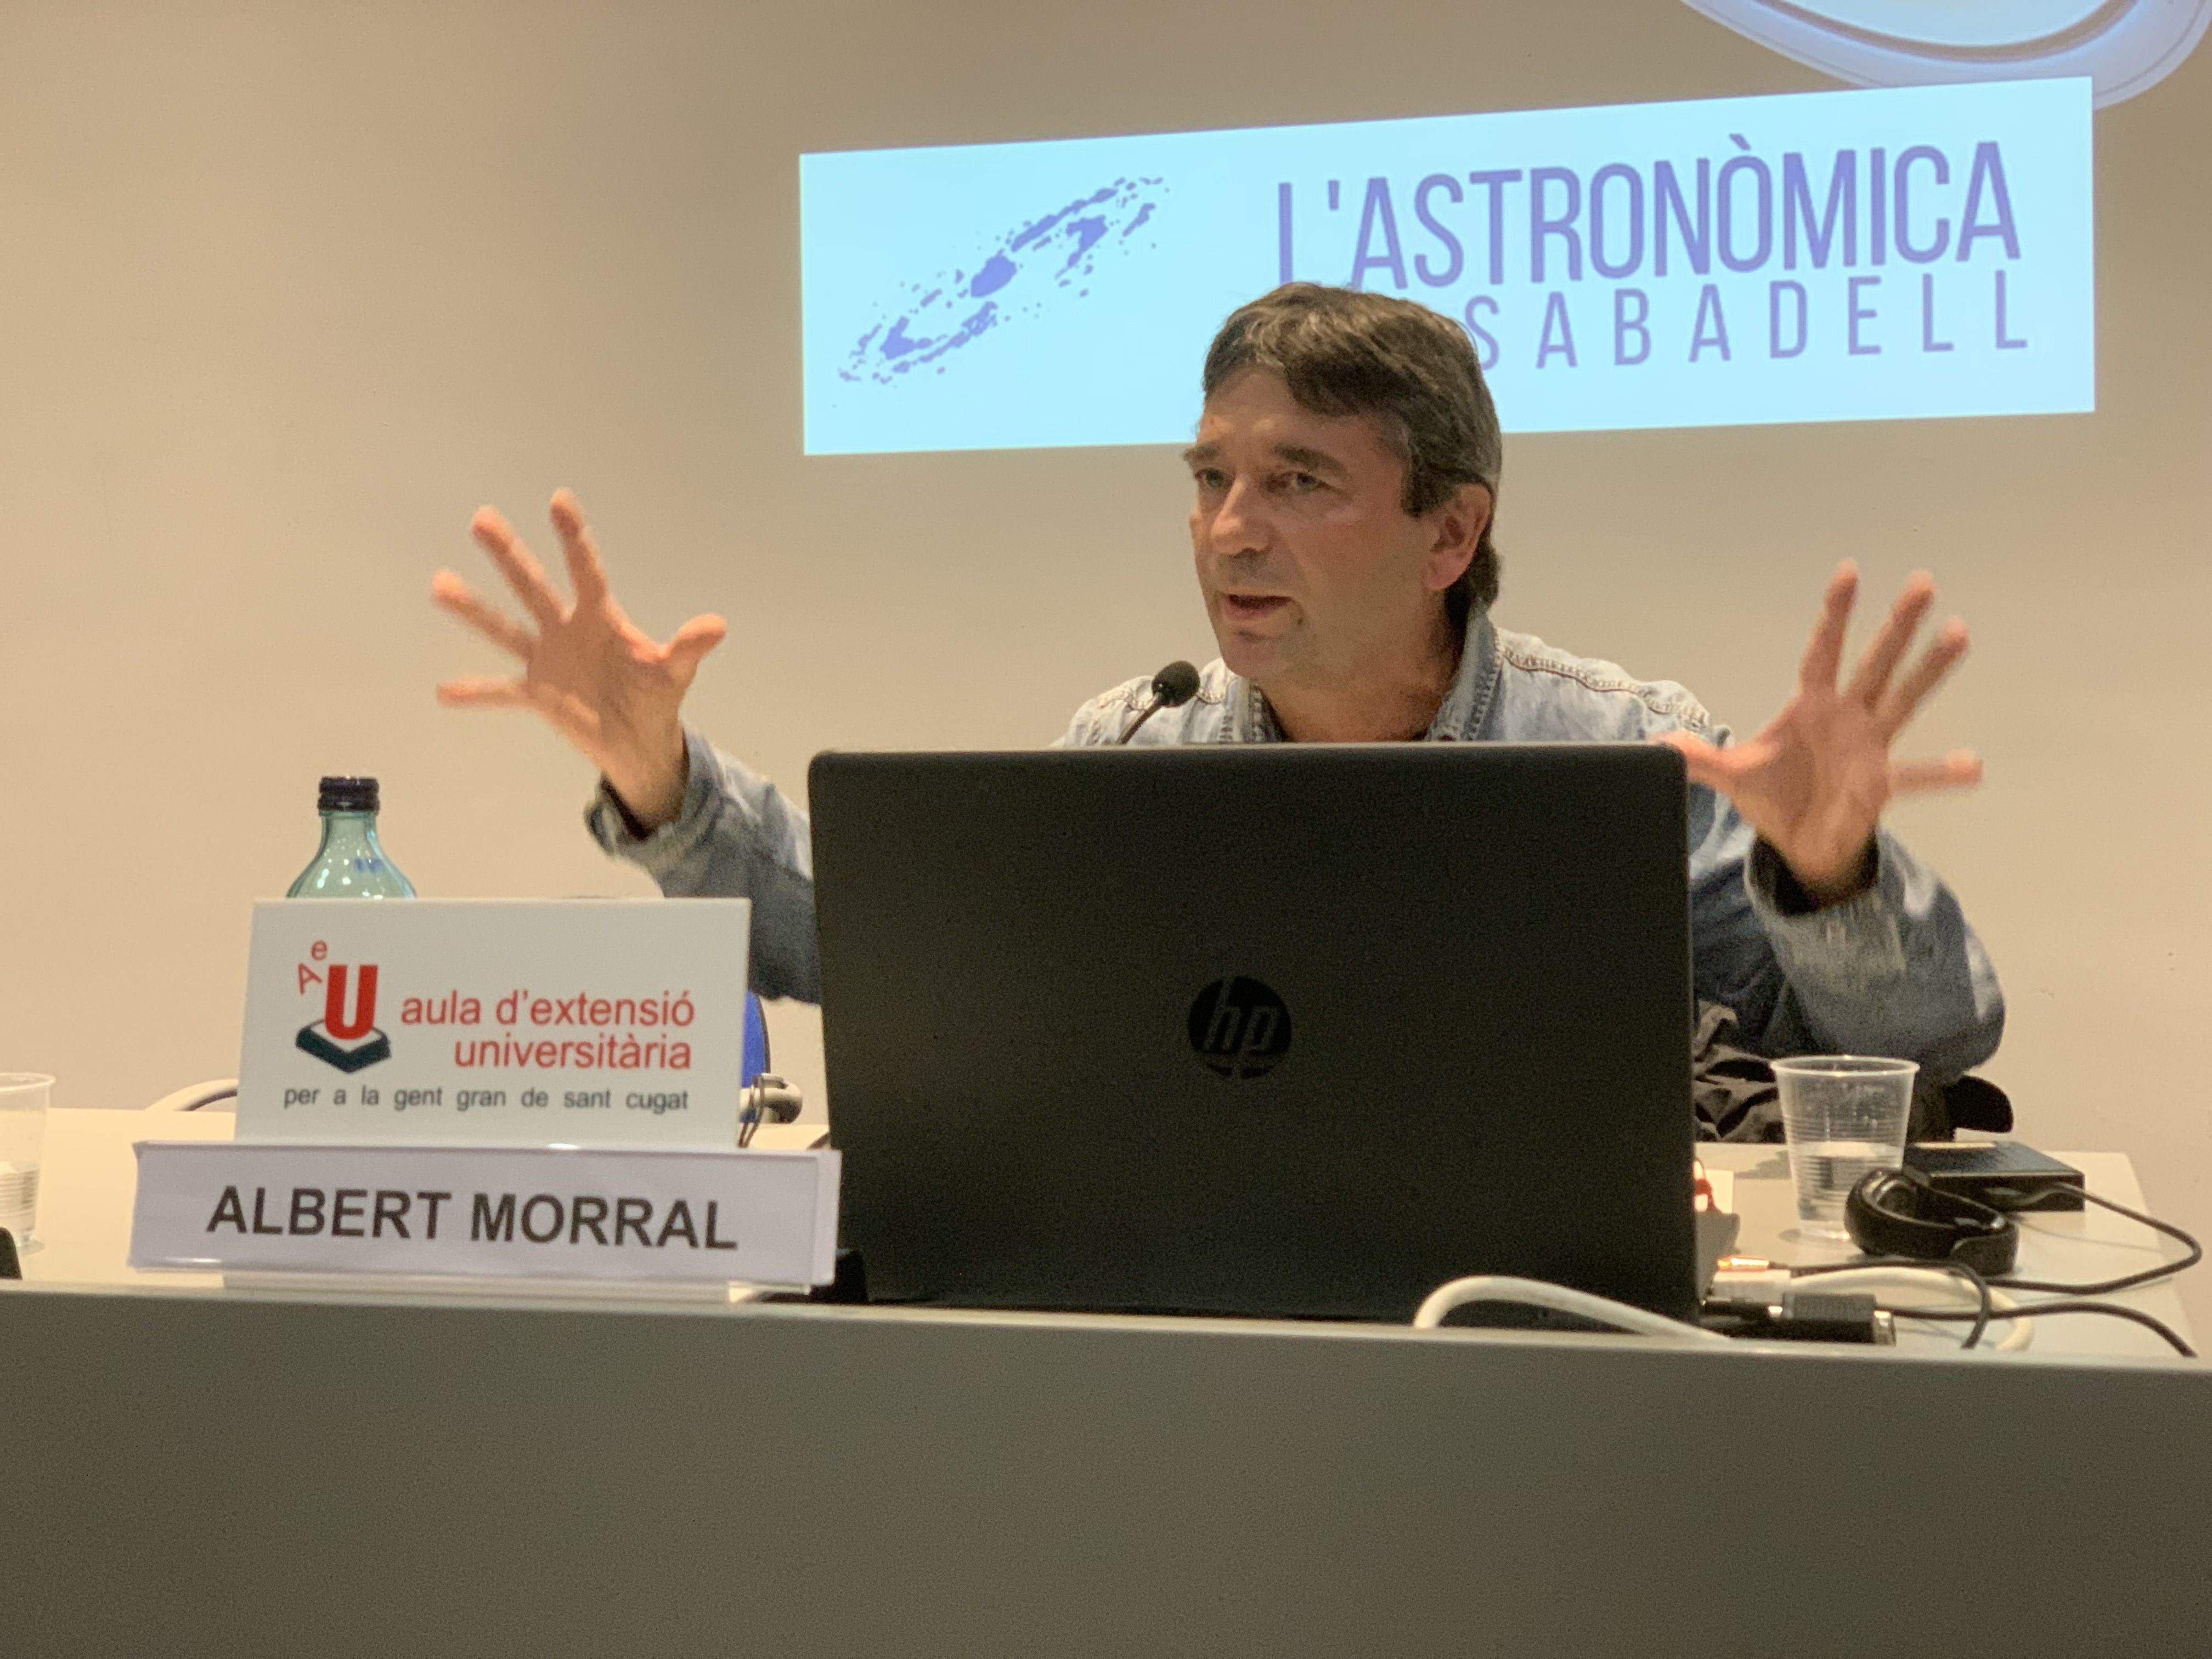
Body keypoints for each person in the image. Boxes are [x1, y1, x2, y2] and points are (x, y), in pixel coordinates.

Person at [431, 284, 2003, 1085]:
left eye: (1301, 481)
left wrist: (1833, 870)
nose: (1230, 532)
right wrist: (660, 775)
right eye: (1209, 477)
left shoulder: (1612, 754)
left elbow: (1927, 1049)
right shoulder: (1140, 746)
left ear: (1451, 528)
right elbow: (884, 944)